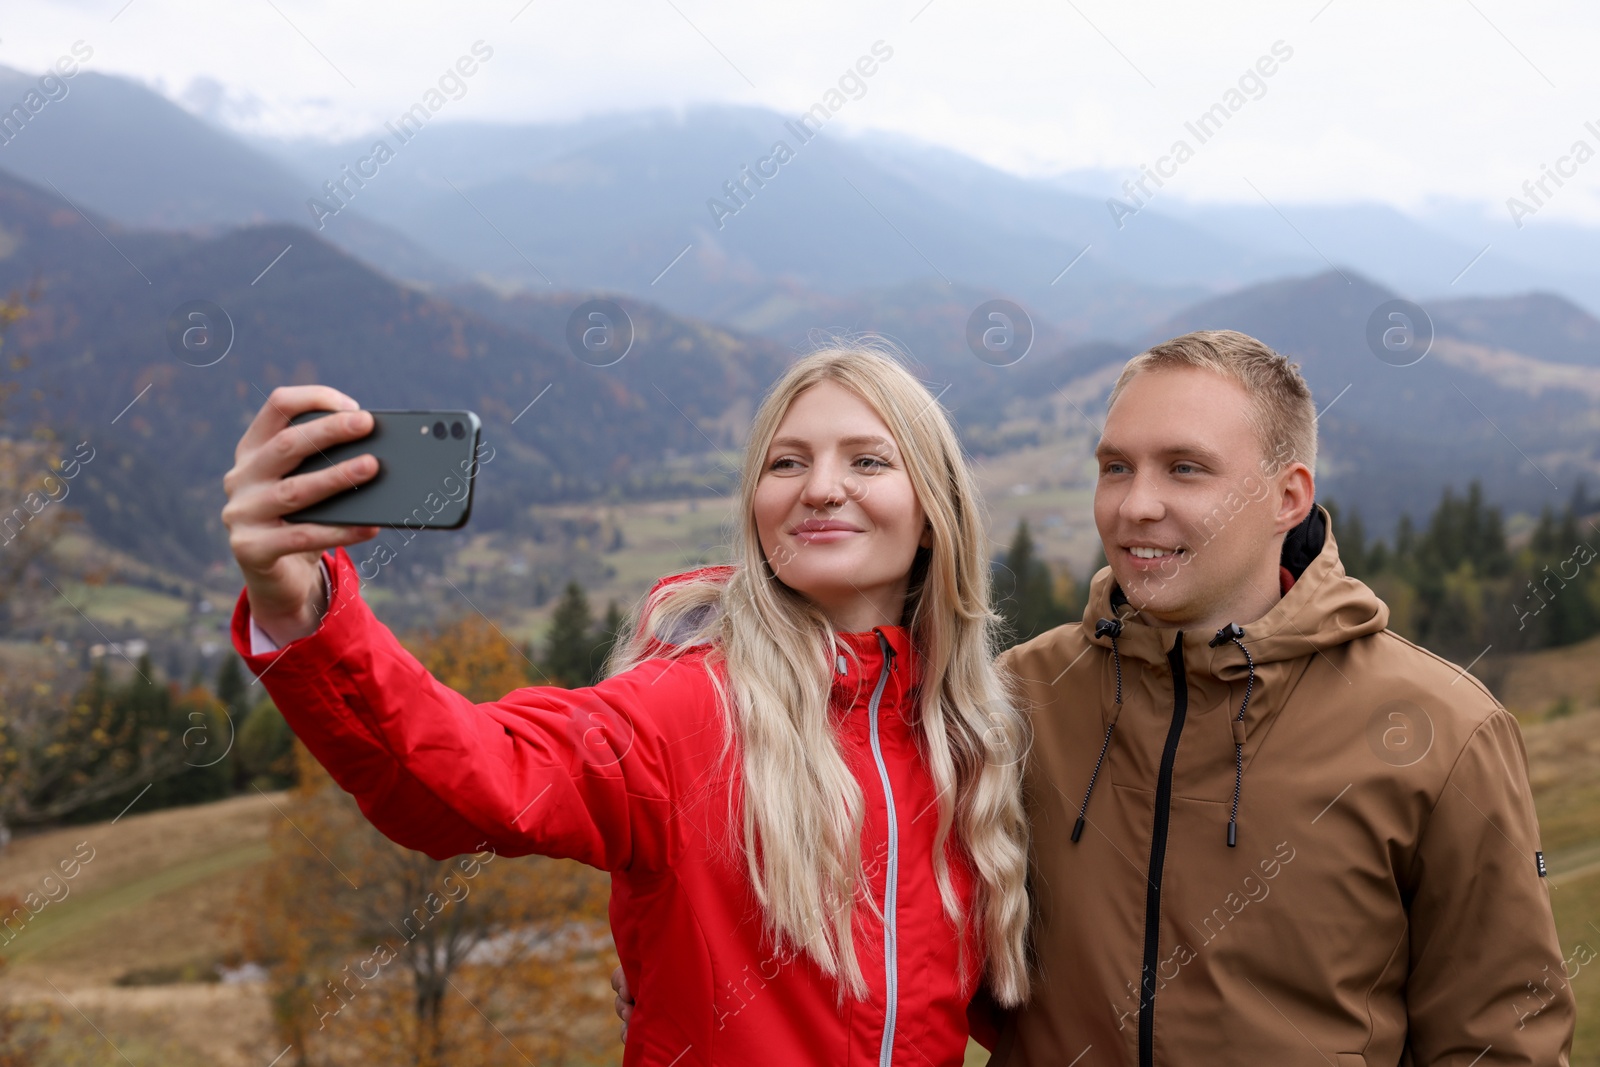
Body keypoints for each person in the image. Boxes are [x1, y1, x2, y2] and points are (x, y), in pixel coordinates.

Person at [614, 329, 1574, 1065]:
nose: (1134, 504)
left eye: (1184, 469)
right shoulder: (1011, 700)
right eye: (1115, 467)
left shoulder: (1439, 733)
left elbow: (1499, 1039)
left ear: (1289, 496)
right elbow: (897, 910)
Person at [222, 345, 1032, 1066]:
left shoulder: (969, 741)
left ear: (933, 513)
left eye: (868, 462)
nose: (821, 487)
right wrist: (303, 615)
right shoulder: (688, 711)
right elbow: (469, 774)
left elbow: (1062, 1002)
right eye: (786, 463)